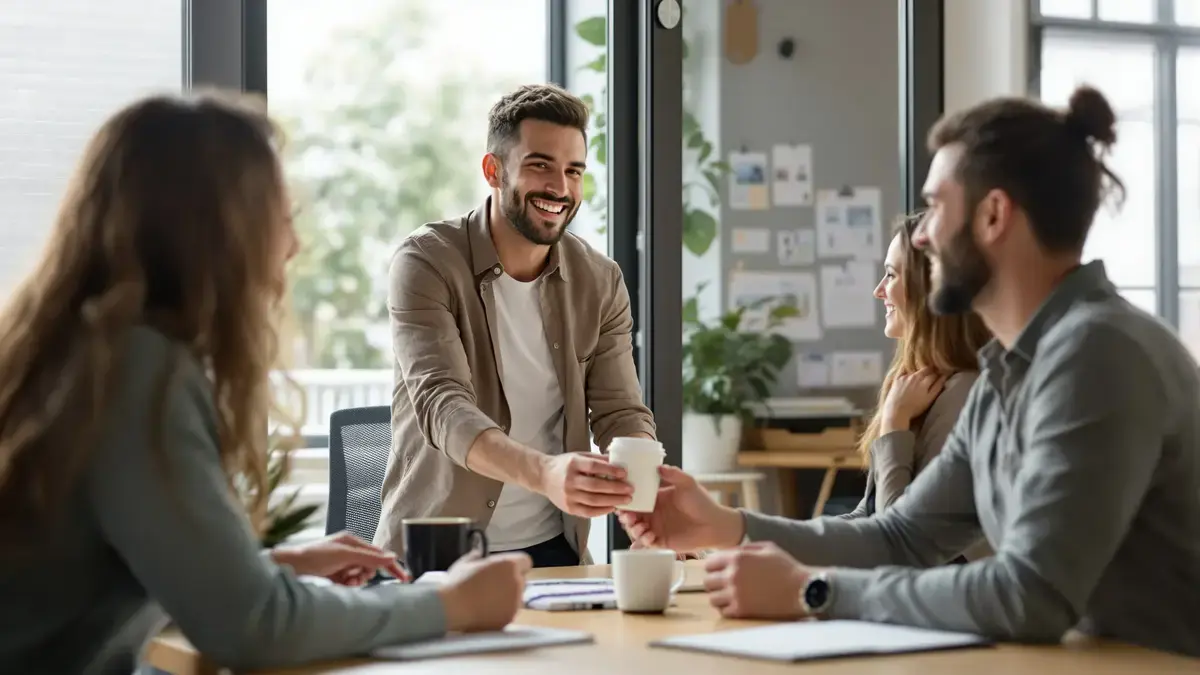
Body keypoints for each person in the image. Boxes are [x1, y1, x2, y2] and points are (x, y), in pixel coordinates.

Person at [620, 85, 1200, 657]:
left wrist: (813, 590)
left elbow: (1032, 595)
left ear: (994, 214)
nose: (922, 235)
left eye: (937, 206)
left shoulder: (1096, 353)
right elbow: (901, 536)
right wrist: (723, 525)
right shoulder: (1011, 373)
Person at [0, 91, 530, 675]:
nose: (293, 248)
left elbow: (118, 570)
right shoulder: (138, 375)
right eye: (280, 221)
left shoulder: (80, 352)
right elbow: (252, 627)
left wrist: (275, 566)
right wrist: (449, 604)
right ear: (216, 234)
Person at [374, 83, 656, 568]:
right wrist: (546, 473)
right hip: (436, 556)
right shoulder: (427, 262)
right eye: (539, 165)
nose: (560, 189)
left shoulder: (600, 280)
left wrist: (652, 503)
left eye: (574, 171)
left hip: (553, 556)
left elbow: (620, 413)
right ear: (493, 170)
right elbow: (444, 405)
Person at [844, 214, 990, 523]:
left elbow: (898, 538)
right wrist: (766, 540)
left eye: (891, 275)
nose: (879, 290)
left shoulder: (964, 394)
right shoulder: (913, 383)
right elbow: (866, 514)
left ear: (926, 290)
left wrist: (895, 422)